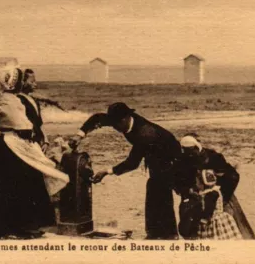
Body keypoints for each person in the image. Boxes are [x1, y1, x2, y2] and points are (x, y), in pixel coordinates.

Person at [0, 67, 69, 240]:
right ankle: (11, 228)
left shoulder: (13, 99)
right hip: (8, 145)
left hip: (20, 144)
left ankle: (27, 226)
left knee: (28, 182)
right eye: (18, 81)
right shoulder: (2, 100)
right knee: (13, 185)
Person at [71, 103, 182, 240]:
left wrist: (106, 171)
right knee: (153, 189)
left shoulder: (144, 133)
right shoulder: (118, 119)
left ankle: (169, 235)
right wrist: (79, 135)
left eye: (116, 125)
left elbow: (132, 163)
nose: (115, 128)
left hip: (169, 157)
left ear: (125, 119)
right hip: (152, 152)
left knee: (161, 191)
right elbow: (97, 118)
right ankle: (154, 233)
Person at [174, 135, 254, 240]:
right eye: (185, 151)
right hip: (193, 200)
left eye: (191, 151)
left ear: (196, 148)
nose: (189, 154)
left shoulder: (213, 157)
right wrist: (187, 191)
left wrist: (221, 195)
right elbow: (176, 181)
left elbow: (232, 176)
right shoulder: (182, 159)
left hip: (218, 199)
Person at [17, 69, 49, 151]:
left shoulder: (34, 100)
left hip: (38, 142)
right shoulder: (19, 100)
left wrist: (46, 140)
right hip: (27, 142)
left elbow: (39, 122)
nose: (35, 84)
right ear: (23, 82)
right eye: (32, 81)